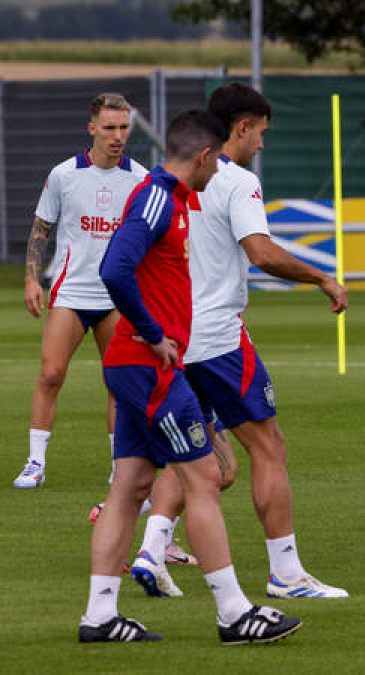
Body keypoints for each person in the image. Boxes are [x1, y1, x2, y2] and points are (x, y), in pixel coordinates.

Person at [80, 109, 301, 644]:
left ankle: (99, 616)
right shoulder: (158, 198)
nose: (216, 170)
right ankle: (233, 613)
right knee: (204, 478)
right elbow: (114, 268)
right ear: (204, 156)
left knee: (130, 485)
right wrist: (154, 332)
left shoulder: (172, 199)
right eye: (215, 160)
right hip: (148, 365)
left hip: (138, 365)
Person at [126, 82, 350, 601]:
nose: (262, 145)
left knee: (193, 457)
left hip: (175, 339)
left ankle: (152, 551)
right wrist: (322, 278)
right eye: (260, 133)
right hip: (221, 341)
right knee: (268, 447)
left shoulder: (170, 180)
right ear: (241, 128)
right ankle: (287, 574)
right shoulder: (236, 181)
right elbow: (261, 252)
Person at [14, 93, 147, 489]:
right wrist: (31, 277)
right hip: (71, 293)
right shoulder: (63, 175)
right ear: (92, 129)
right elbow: (42, 227)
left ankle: (119, 469)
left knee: (118, 385)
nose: (117, 135)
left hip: (116, 298)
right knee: (51, 374)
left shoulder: (140, 178)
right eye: (109, 127)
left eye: (123, 127)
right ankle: (35, 463)